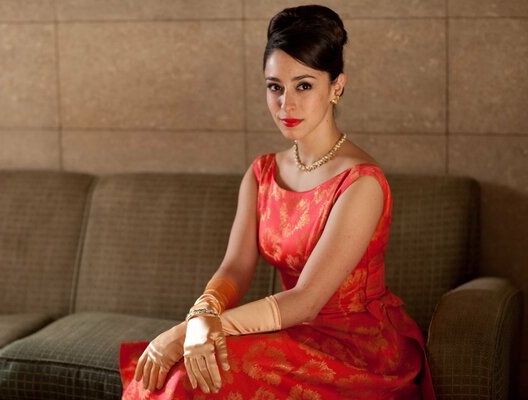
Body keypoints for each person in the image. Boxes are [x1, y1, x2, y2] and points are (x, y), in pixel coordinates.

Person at [119, 5, 436, 399]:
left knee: (188, 374)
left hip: (356, 349)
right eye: (275, 86)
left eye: (304, 85)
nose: (286, 104)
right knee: (180, 368)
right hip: (290, 331)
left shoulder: (361, 183)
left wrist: (188, 331)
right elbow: (235, 267)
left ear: (336, 86)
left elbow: (305, 302)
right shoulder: (262, 172)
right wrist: (203, 312)